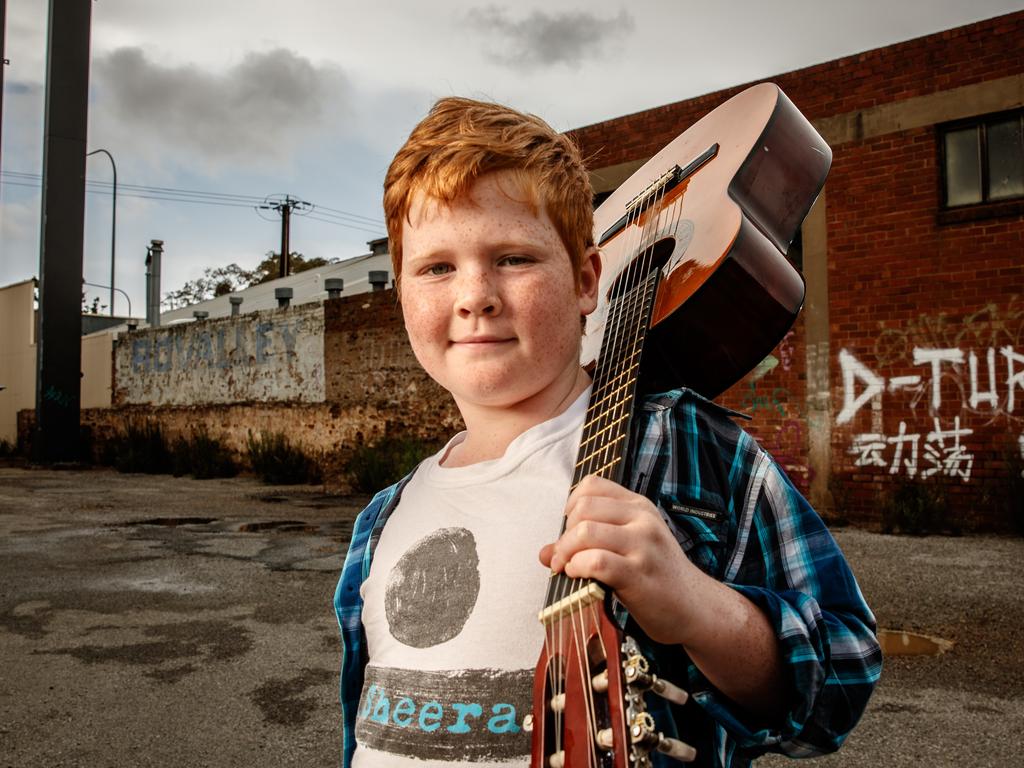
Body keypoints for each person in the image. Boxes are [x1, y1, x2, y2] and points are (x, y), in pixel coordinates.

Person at [334, 97, 881, 768]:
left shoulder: (686, 446)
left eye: (513, 258)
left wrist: (698, 608)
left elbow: (845, 673)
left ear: (589, 279)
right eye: (437, 267)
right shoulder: (381, 519)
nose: (474, 294)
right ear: (402, 296)